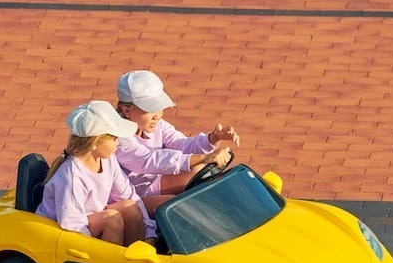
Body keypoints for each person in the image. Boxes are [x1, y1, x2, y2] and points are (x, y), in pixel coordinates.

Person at [115, 70, 240, 215]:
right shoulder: (118, 135)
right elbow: (148, 160)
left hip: (156, 182)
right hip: (133, 195)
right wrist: (202, 157)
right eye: (150, 109)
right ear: (126, 110)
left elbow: (181, 144)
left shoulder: (156, 124)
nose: (158, 115)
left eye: (159, 108)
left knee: (202, 173)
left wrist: (212, 138)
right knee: (175, 206)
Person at [36, 100, 156, 247]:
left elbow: (128, 195)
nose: (118, 143)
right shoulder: (71, 176)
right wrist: (96, 250)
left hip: (87, 220)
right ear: (94, 143)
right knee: (112, 219)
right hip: (64, 231)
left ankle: (140, 255)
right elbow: (72, 225)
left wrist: (150, 233)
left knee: (130, 206)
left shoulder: (108, 160)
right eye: (113, 138)